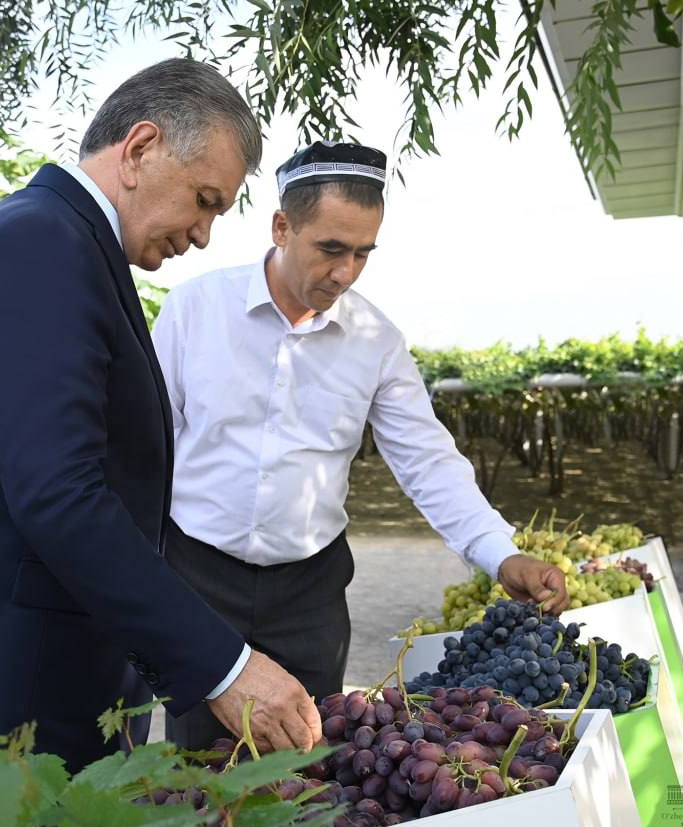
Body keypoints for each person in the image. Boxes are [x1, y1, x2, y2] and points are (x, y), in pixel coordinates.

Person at [0, 59, 323, 775]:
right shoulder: (41, 245)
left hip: (58, 672)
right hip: (23, 690)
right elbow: (59, 493)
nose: (204, 235)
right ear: (141, 148)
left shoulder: (70, 246)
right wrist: (224, 666)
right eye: (205, 199)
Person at [152, 141, 571, 749]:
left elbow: (427, 459)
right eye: (331, 249)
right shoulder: (195, 310)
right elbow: (147, 444)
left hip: (310, 593)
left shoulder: (376, 340)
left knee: (314, 769)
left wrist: (499, 552)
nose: (345, 272)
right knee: (197, 772)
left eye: (362, 254)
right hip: (197, 580)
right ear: (281, 226)